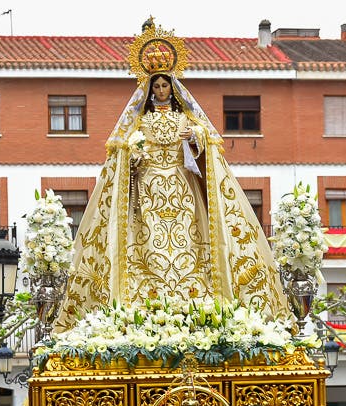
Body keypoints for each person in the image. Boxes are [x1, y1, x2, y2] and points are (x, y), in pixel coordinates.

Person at [54, 22, 288, 330]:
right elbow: (121, 151)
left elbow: (207, 146)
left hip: (181, 186)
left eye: (165, 85)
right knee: (146, 241)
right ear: (149, 89)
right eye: (156, 86)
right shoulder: (139, 123)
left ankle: (197, 295)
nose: (161, 90)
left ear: (172, 88)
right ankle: (144, 300)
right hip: (148, 191)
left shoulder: (185, 118)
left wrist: (195, 137)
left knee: (189, 240)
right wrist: (133, 153)